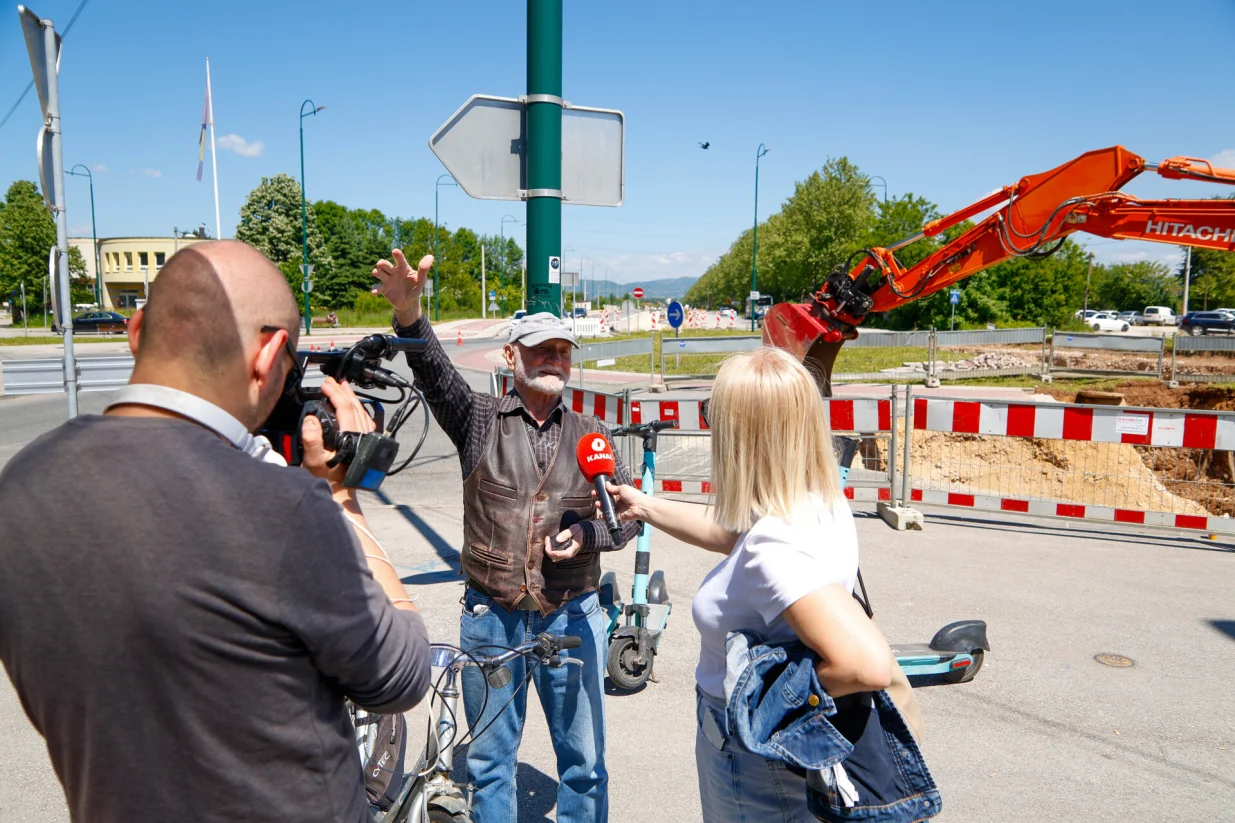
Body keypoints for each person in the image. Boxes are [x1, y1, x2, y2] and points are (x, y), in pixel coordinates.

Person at [0, 241, 432, 823]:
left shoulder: (21, 486)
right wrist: (339, 496)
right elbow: (402, 675)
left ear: (136, 331)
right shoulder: (284, 510)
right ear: (269, 356)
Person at [371, 249, 638, 823]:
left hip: (573, 614)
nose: (555, 360)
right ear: (511, 355)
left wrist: (587, 534)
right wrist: (410, 313)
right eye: (542, 349)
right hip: (492, 617)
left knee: (585, 763)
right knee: (491, 764)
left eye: (563, 351)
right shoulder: (478, 418)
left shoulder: (592, 433)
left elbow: (628, 519)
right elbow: (434, 373)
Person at [600, 346, 896, 822]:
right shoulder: (817, 500)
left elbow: (868, 666)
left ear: (742, 433)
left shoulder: (774, 546)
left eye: (712, 413)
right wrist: (644, 505)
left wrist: (766, 703)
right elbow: (733, 534)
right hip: (783, 753)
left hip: (749, 758)